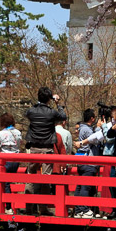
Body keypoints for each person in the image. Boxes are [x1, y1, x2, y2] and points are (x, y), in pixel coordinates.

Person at [24, 87, 65, 215]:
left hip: (34, 147)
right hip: (47, 148)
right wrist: (57, 103)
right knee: (46, 179)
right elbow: (63, 116)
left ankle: (29, 206)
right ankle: (43, 207)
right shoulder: (52, 113)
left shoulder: (31, 111)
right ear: (49, 98)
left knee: (31, 176)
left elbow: (27, 113)